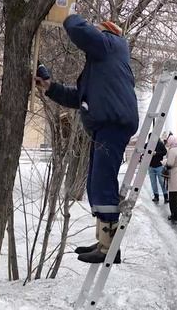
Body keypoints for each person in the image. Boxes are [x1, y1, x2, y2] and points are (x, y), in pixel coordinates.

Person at [35, 14, 138, 264]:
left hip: (112, 123)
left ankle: (109, 248)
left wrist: (66, 14)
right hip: (106, 125)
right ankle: (104, 241)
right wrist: (50, 87)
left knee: (103, 182)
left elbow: (83, 34)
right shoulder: (102, 67)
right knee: (96, 181)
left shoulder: (112, 44)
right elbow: (78, 98)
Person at [164, 135, 177, 223]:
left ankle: (175, 215)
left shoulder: (172, 150)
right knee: (176, 195)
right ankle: (176, 214)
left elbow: (170, 163)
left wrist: (164, 163)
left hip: (173, 174)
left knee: (172, 197)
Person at [145, 133, 168, 203]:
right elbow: (144, 152)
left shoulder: (160, 144)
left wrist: (156, 153)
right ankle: (156, 196)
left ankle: (166, 196)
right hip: (150, 166)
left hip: (159, 166)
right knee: (153, 182)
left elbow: (165, 152)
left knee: (162, 181)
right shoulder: (147, 145)